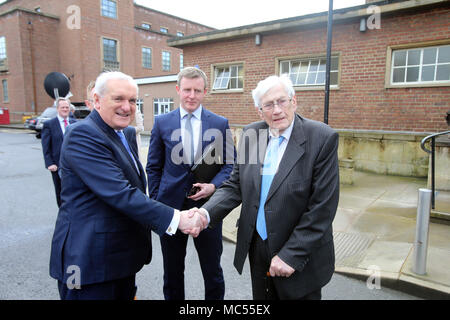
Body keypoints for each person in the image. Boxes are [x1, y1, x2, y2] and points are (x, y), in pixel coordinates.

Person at [49, 71, 206, 300]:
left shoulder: (124, 133)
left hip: (120, 260)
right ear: (97, 100)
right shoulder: (82, 134)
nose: (127, 107)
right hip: (88, 264)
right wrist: (178, 218)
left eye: (133, 100)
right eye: (118, 99)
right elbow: (121, 193)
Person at [196, 75, 340, 300]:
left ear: (294, 101)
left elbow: (323, 208)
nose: (277, 110)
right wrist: (205, 214)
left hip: (299, 255)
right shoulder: (251, 135)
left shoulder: (322, 138)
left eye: (282, 101)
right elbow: (235, 186)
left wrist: (291, 255)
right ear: (259, 110)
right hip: (258, 248)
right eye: (268, 105)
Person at [146, 67, 235, 300]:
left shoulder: (220, 123)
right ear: (178, 90)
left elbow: (230, 165)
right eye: (187, 90)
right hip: (171, 210)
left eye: (197, 90)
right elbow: (154, 167)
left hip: (207, 209)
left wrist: (214, 186)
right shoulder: (162, 122)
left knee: (212, 271)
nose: (191, 96)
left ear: (205, 92)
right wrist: (157, 203)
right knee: (173, 273)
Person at [41, 98, 76, 207]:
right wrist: (49, 163)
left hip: (75, 164)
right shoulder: (49, 124)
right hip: (57, 165)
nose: (65, 109)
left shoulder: (76, 123)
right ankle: (63, 213)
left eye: (67, 107)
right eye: (62, 107)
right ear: (57, 109)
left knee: (75, 189)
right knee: (60, 191)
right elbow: (46, 146)